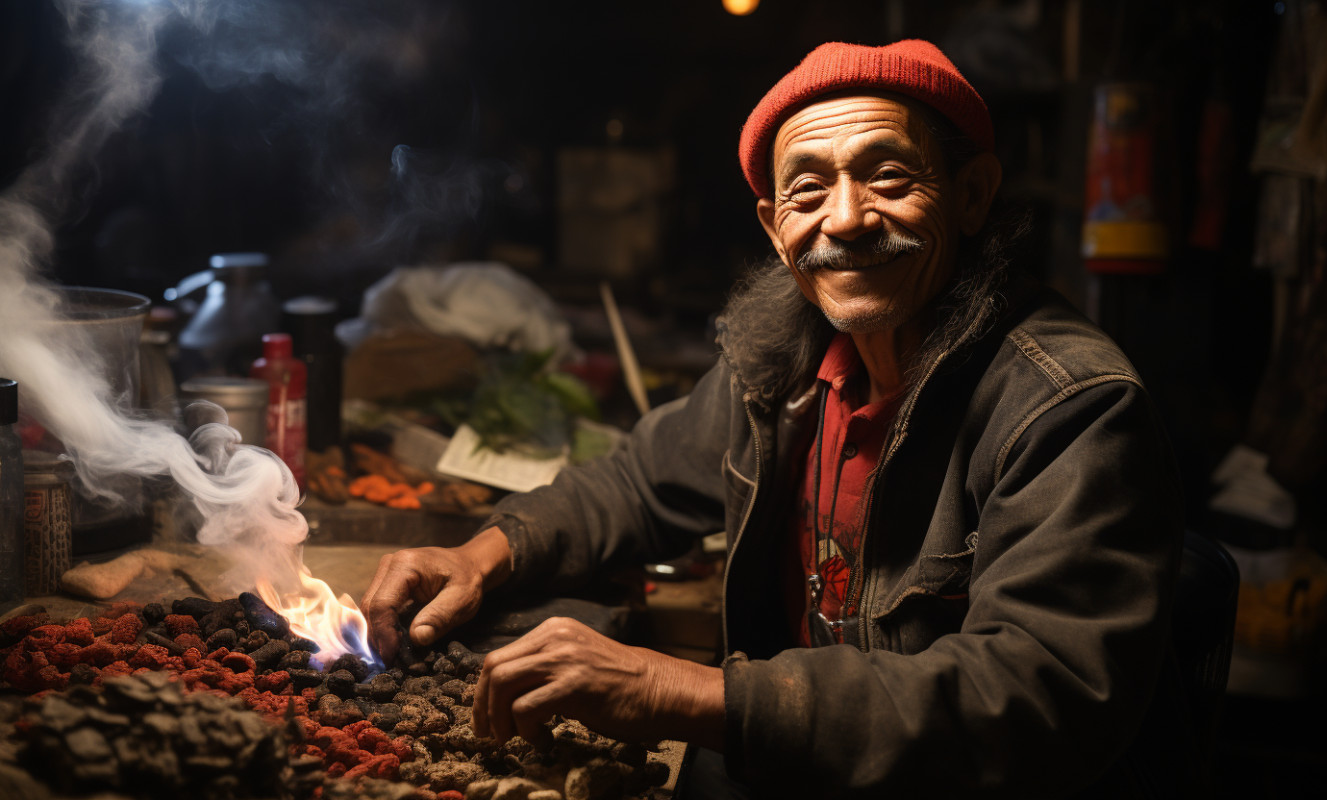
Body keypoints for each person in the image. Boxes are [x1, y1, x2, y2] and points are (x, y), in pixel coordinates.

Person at [363, 39, 1198, 797]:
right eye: (807, 190)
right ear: (775, 227)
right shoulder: (787, 367)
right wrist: (477, 557)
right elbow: (638, 482)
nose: (845, 219)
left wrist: (669, 687)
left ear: (972, 195)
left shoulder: (1070, 406)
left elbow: (1034, 698)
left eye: (889, 177)